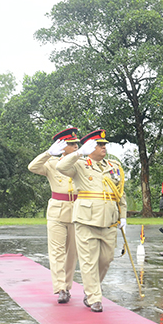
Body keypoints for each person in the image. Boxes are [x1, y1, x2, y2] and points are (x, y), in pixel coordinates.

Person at [56, 129, 126, 313]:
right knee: (88, 260)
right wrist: (79, 152)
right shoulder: (79, 163)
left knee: (106, 259)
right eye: (99, 144)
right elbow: (60, 167)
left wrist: (123, 215)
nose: (104, 147)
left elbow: (120, 192)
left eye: (104, 144)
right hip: (86, 219)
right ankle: (94, 296)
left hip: (109, 220)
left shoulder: (113, 165)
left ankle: (92, 287)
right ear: (90, 147)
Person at [27, 127, 80, 304]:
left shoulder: (80, 162)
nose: (75, 147)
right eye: (71, 144)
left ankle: (68, 284)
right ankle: (61, 289)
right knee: (57, 252)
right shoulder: (52, 163)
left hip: (76, 210)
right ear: (63, 146)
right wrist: (48, 153)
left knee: (71, 252)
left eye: (75, 144)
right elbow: (32, 167)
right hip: (57, 210)